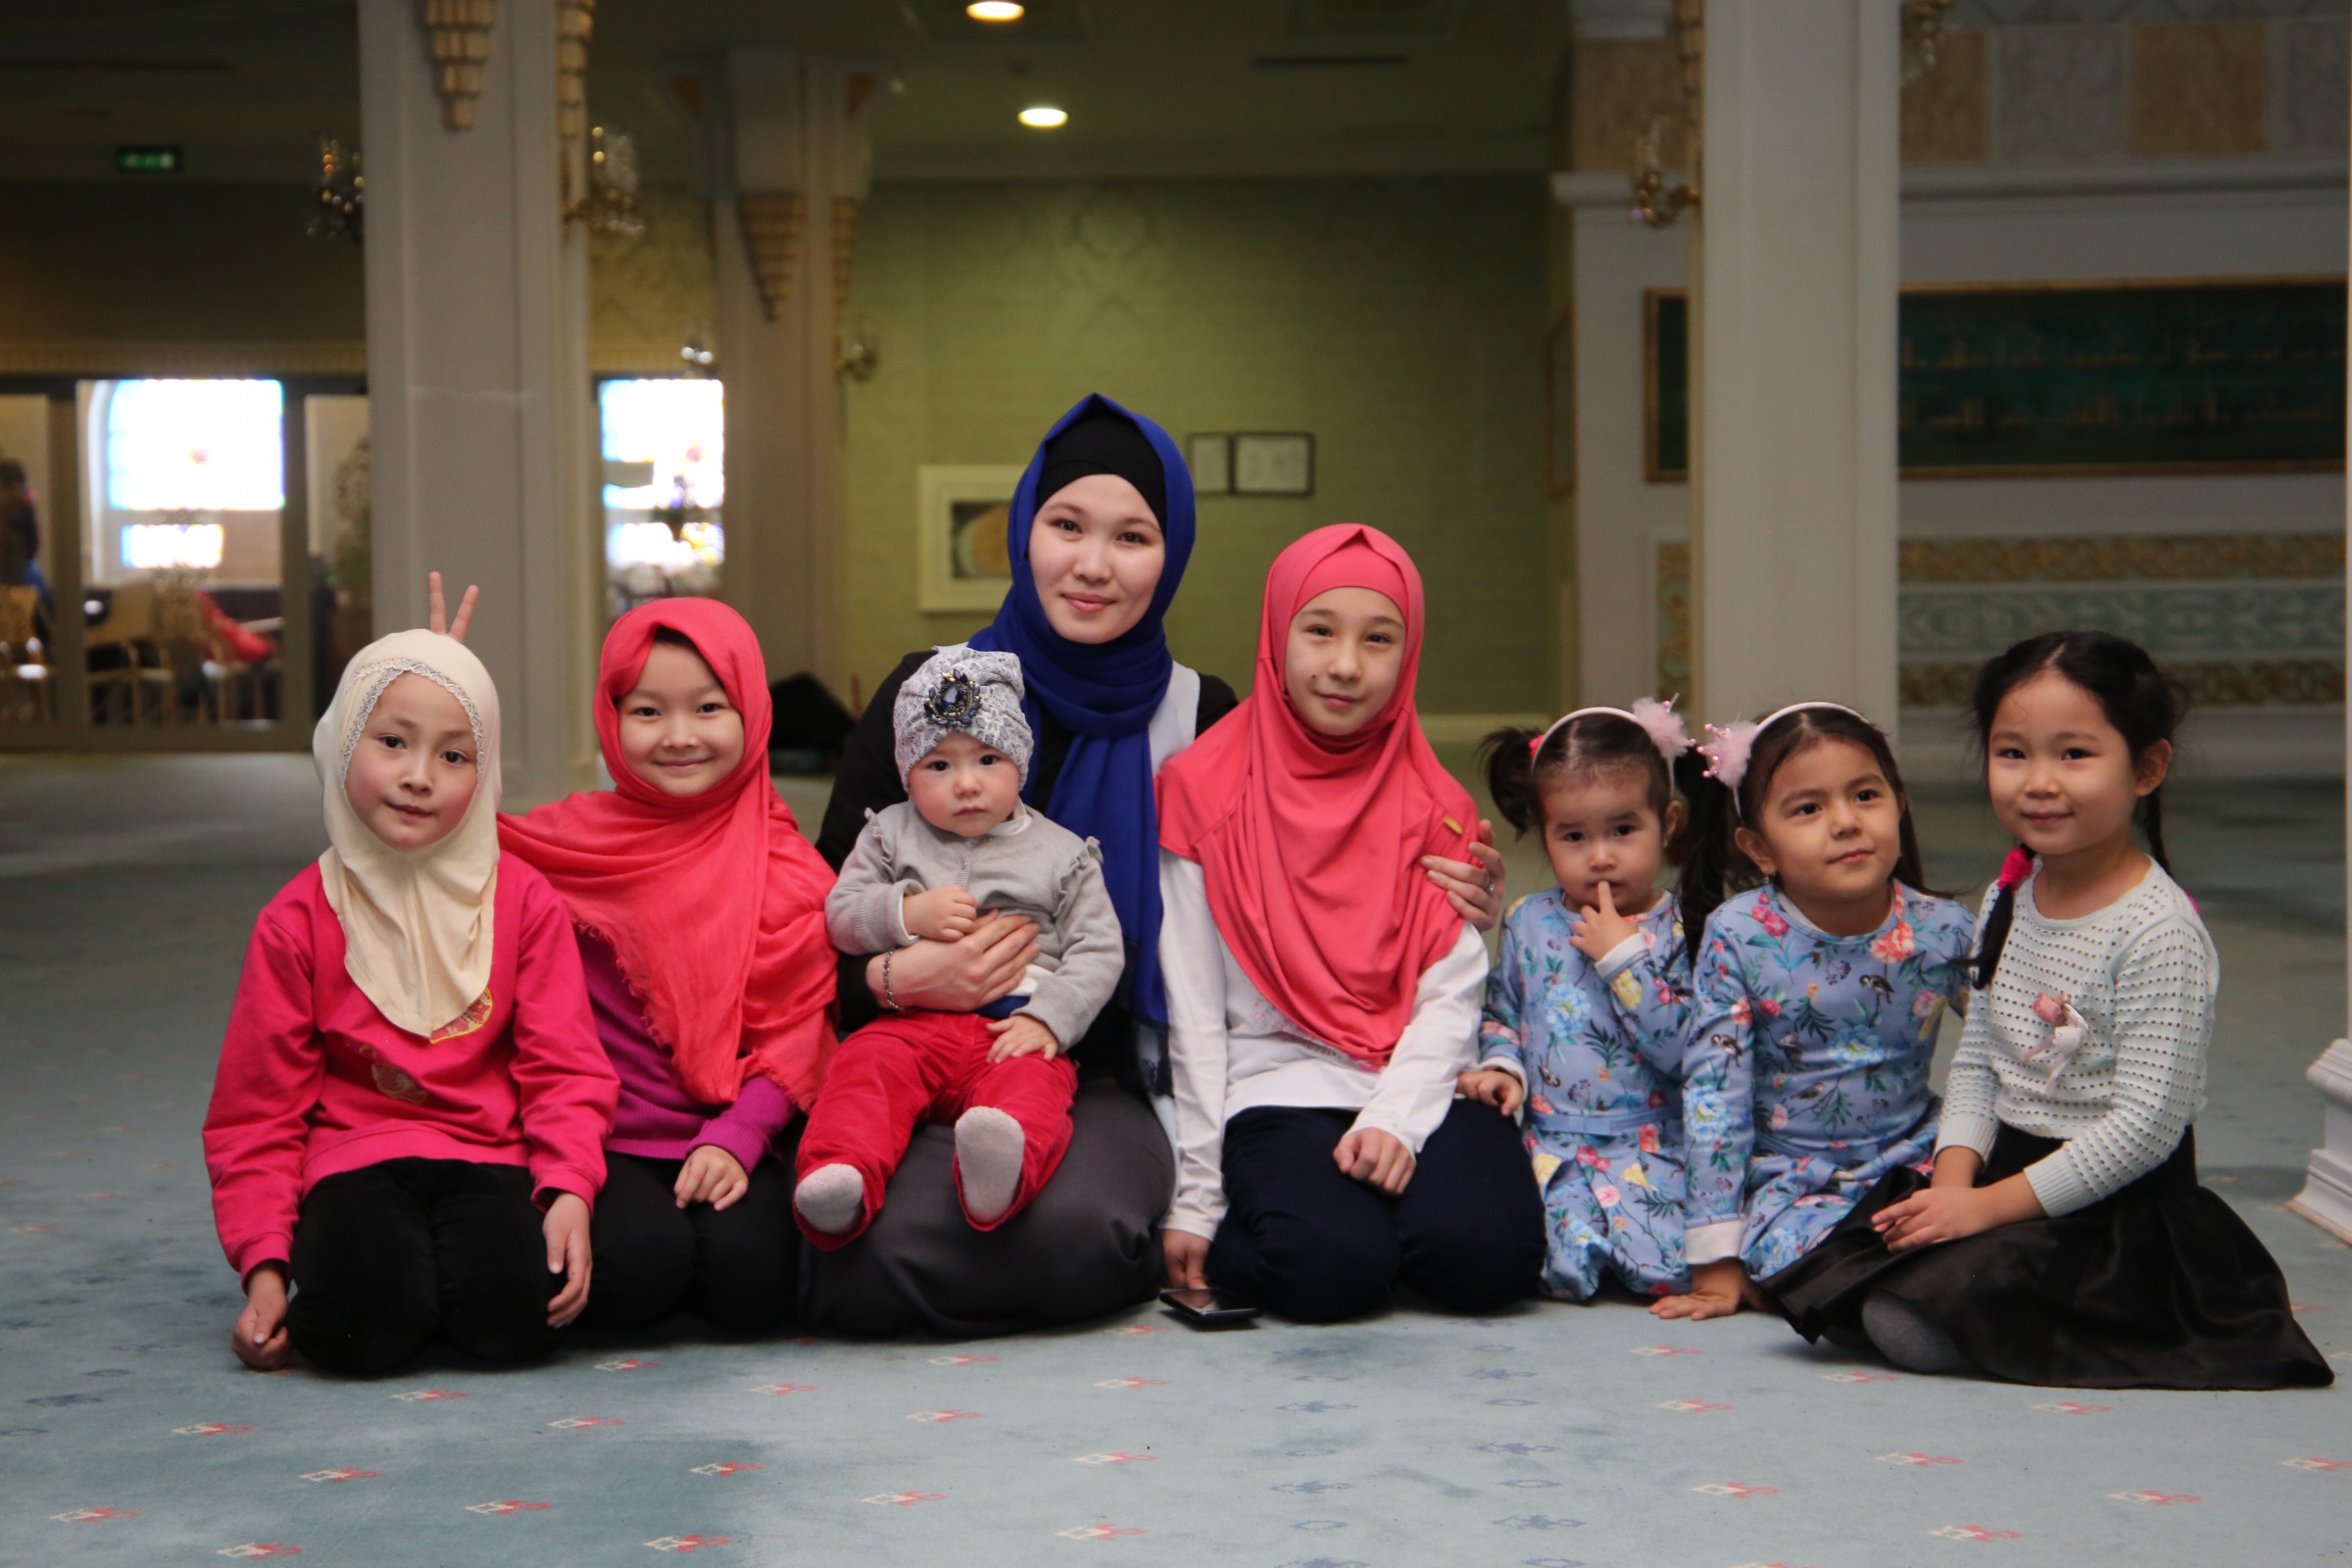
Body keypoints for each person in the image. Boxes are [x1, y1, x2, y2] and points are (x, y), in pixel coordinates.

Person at [810, 395, 1510, 1337]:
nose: (1094, 565)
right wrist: (896, 978)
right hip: (906, 1046)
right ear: (1024, 531)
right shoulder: (926, 696)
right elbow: (820, 922)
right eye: (1067, 526)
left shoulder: (1200, 719)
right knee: (857, 1221)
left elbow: (1322, 867)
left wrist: (1458, 891)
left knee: (1086, 1238)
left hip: (1100, 1076)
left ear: (1170, 554)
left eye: (1132, 537)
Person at [1770, 632, 2332, 1389]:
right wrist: (1954, 1184)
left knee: (1906, 1315)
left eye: (2074, 754)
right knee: (1844, 1266)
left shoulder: (2159, 931)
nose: (2038, 782)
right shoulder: (2010, 894)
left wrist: (1987, 1211)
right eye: (2013, 753)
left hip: (2112, 1214)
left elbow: (2145, 1130)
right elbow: (1980, 1061)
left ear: (2147, 768)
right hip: (2007, 1175)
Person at [201, 631, 617, 1375]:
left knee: (522, 1321)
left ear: (486, 775)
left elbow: (566, 1069)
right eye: (392, 742)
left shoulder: (524, 901)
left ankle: (435, 1283)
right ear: (342, 743)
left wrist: (569, 1189)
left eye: (454, 756)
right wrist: (264, 1268)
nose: (419, 777)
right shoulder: (295, 919)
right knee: (354, 1334)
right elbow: (257, 1113)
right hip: (353, 1157)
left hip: (491, 1153)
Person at [1156, 523, 1544, 1323]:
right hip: (1276, 1081)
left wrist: (1396, 1121)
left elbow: (1450, 996)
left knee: (1491, 1259)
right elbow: (1193, 1011)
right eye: (1320, 631)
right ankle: (1334, 1232)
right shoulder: (1201, 790)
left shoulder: (1438, 807)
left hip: (1418, 1077)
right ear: (1277, 635)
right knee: (1328, 1271)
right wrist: (1197, 1195)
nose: (1344, 665)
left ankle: (1375, 1224)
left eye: (1378, 639)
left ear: (1409, 655)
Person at [498, 599, 837, 1336]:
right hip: (603, 1134)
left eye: (709, 708)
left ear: (751, 712)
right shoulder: (562, 847)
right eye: (647, 712)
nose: (680, 737)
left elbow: (800, 1035)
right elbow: (448, 837)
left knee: (757, 1286)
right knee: (631, 1272)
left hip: (732, 1122)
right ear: (611, 718)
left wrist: (741, 1135)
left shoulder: (789, 869)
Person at [1651, 702, 1975, 1323]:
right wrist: (1716, 1258)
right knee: (1816, 1256)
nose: (1846, 823)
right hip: (1792, 1182)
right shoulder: (1740, 934)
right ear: (1759, 847)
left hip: (1916, 1160)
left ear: (1900, 806)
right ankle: (1892, 1300)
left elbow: (2004, 1049)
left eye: (1865, 796)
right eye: (1808, 809)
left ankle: (1916, 1291)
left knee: (1986, 1224)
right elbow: (1716, 1093)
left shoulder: (1944, 928)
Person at [799, 646, 1119, 1246]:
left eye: (988, 759)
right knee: (862, 1071)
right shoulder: (888, 834)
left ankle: (997, 1171)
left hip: (1013, 1029)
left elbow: (1098, 950)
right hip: (909, 1024)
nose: (967, 784)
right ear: (907, 774)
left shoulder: (1064, 854)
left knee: (1031, 1090)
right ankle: (840, 1176)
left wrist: (1050, 1021)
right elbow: (840, 916)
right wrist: (904, 912)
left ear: (1019, 762)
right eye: (939, 765)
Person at [1456, 699, 1700, 1302]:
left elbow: (1686, 1052)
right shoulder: (1529, 920)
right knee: (1530, 1260)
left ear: (1667, 823)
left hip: (1649, 1146)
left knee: (1673, 1266)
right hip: (1554, 1148)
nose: (1600, 856)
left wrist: (1625, 960)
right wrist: (1501, 1067)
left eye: (1623, 830)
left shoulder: (1684, 928)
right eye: (1573, 836)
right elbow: (1503, 1015)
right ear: (1545, 834)